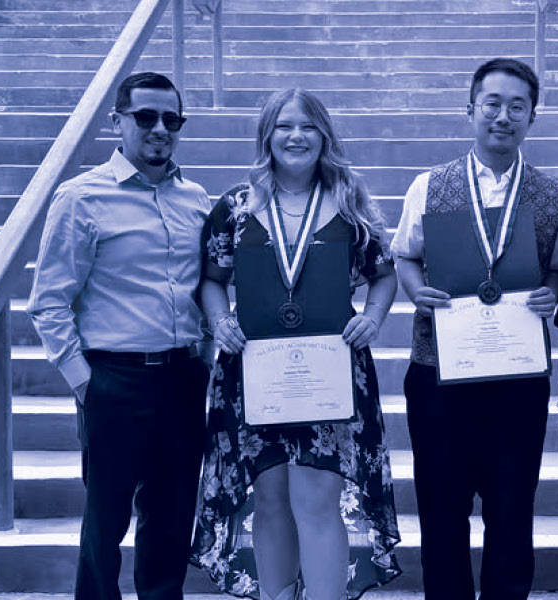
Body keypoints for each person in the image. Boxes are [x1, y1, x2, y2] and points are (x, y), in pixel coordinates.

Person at [190, 89, 402, 600]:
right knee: (269, 497)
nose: (296, 136)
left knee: (316, 498)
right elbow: (212, 279)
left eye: (308, 126)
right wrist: (219, 321)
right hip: (254, 370)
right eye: (284, 126)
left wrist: (373, 317)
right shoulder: (236, 207)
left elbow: (384, 273)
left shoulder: (349, 200)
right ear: (267, 135)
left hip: (329, 371)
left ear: (324, 135)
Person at [391, 58, 558, 600]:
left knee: (512, 510)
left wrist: (551, 294)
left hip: (517, 376)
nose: (503, 116)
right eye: (492, 104)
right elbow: (405, 255)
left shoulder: (554, 195)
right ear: (470, 110)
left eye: (518, 106)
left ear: (532, 117)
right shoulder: (428, 186)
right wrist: (414, 290)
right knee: (441, 510)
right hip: (439, 373)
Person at [29, 71, 212, 600]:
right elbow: (49, 300)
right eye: (146, 117)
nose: (160, 129)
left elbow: (207, 288)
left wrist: (203, 357)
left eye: (172, 119)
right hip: (114, 379)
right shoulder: (81, 197)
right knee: (104, 524)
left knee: (172, 519)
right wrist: (85, 382)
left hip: (183, 378)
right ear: (117, 121)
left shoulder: (196, 198)